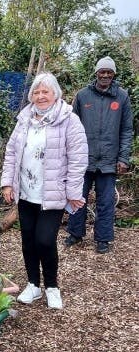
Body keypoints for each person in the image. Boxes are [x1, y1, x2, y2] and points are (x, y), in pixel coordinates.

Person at [1, 72, 88, 309]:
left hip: (52, 193)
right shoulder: (24, 118)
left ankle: (52, 286)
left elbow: (78, 159)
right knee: (28, 240)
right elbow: (11, 153)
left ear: (55, 94)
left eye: (45, 92)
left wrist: (73, 192)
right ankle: (33, 285)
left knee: (45, 240)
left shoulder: (69, 120)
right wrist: (7, 183)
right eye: (36, 92)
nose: (40, 97)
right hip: (27, 191)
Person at [65, 56, 133, 254]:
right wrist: (69, 155)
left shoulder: (122, 97)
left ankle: (103, 239)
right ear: (96, 73)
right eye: (102, 71)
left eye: (109, 72)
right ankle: (75, 234)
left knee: (105, 201)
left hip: (109, 160)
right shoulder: (83, 96)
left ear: (113, 74)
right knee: (77, 197)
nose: (105, 75)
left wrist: (123, 158)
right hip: (83, 159)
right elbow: (71, 127)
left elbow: (127, 129)